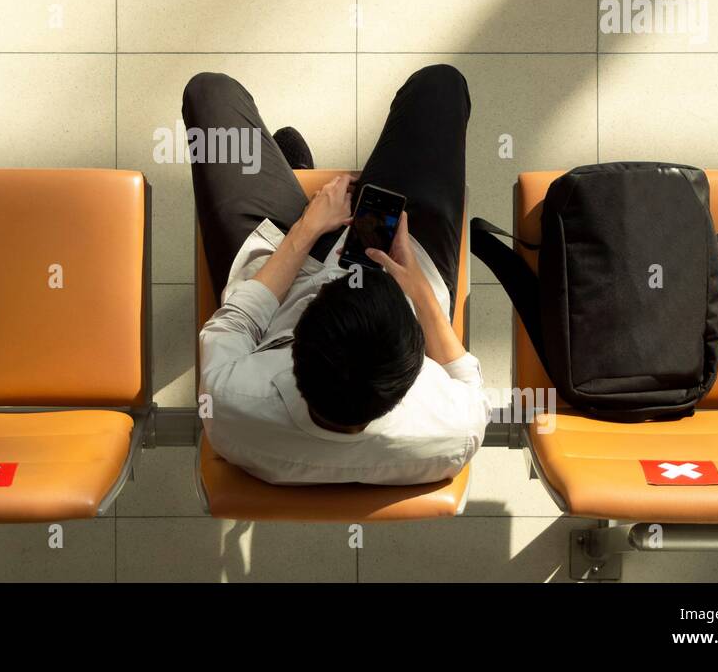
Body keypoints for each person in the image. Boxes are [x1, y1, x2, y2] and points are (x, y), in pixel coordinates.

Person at [184, 65, 489, 485]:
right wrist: (416, 285)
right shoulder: (453, 428)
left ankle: (288, 183)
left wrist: (306, 229)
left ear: (296, 354)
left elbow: (236, 321)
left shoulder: (231, 402)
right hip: (398, 269)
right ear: (410, 375)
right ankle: (293, 183)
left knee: (209, 92)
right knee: (441, 86)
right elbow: (461, 372)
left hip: (280, 283)